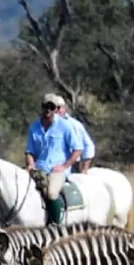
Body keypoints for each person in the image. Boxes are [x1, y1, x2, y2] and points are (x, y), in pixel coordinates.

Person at [25, 93, 82, 225]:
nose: (48, 110)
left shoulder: (65, 126)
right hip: (38, 168)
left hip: (57, 170)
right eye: (46, 107)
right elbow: (29, 151)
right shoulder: (34, 127)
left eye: (52, 107)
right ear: (42, 107)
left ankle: (56, 225)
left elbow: (77, 149)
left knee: (51, 193)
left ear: (57, 109)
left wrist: (65, 166)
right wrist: (30, 164)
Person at [55, 95, 95, 174]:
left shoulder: (74, 125)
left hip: (70, 167)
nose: (56, 111)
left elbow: (88, 146)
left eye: (59, 108)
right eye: (53, 108)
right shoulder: (41, 126)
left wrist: (84, 168)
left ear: (64, 109)